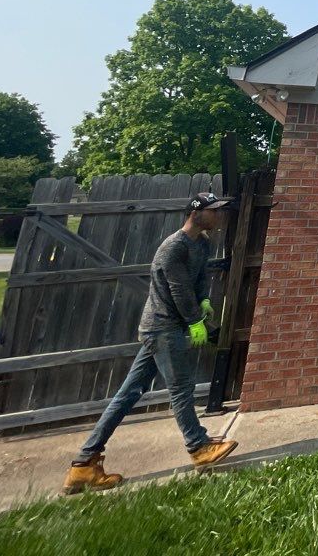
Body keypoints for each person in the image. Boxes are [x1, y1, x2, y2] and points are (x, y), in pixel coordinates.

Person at [62, 192, 239, 494]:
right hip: (161, 327)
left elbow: (198, 282)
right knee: (181, 389)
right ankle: (198, 447)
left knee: (128, 393)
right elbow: (178, 290)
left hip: (169, 328)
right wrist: (196, 321)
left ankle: (83, 465)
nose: (219, 216)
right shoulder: (173, 247)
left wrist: (205, 300)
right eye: (214, 211)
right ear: (196, 213)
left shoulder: (202, 244)